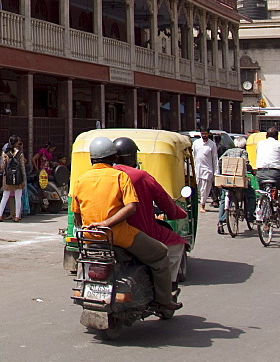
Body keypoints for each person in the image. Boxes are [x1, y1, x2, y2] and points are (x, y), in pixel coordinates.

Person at [71, 136, 180, 310]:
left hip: (91, 237)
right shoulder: (120, 176)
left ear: (92, 159)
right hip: (120, 235)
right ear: (113, 158)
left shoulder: (80, 180)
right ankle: (164, 301)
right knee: (161, 254)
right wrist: (106, 223)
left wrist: (92, 226)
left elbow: (77, 214)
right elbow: (131, 208)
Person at [112, 136, 188, 285]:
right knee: (174, 244)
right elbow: (165, 203)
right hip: (137, 232)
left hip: (102, 232)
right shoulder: (140, 176)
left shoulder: (101, 176)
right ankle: (166, 289)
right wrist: (178, 213)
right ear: (133, 156)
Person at [216, 136, 254, 232]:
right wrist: (252, 171)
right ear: (244, 145)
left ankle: (221, 221)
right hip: (238, 180)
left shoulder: (228, 151)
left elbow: (220, 161)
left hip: (227, 179)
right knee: (251, 194)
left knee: (223, 199)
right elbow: (245, 163)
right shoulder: (243, 152)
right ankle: (250, 214)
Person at [0, 136, 25, 221]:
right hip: (18, 177)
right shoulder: (20, 154)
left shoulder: (5, 153)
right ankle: (16, 216)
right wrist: (23, 179)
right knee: (18, 197)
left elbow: (3, 166)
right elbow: (22, 167)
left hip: (7, 177)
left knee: (5, 196)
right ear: (16, 143)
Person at [192, 129, 218, 212]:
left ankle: (202, 206)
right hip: (197, 169)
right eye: (202, 134)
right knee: (197, 188)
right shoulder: (196, 143)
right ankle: (195, 205)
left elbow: (215, 159)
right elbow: (193, 156)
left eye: (205, 134)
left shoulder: (212, 145)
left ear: (208, 134)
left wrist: (216, 172)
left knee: (205, 189)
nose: (204, 135)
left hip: (207, 170)